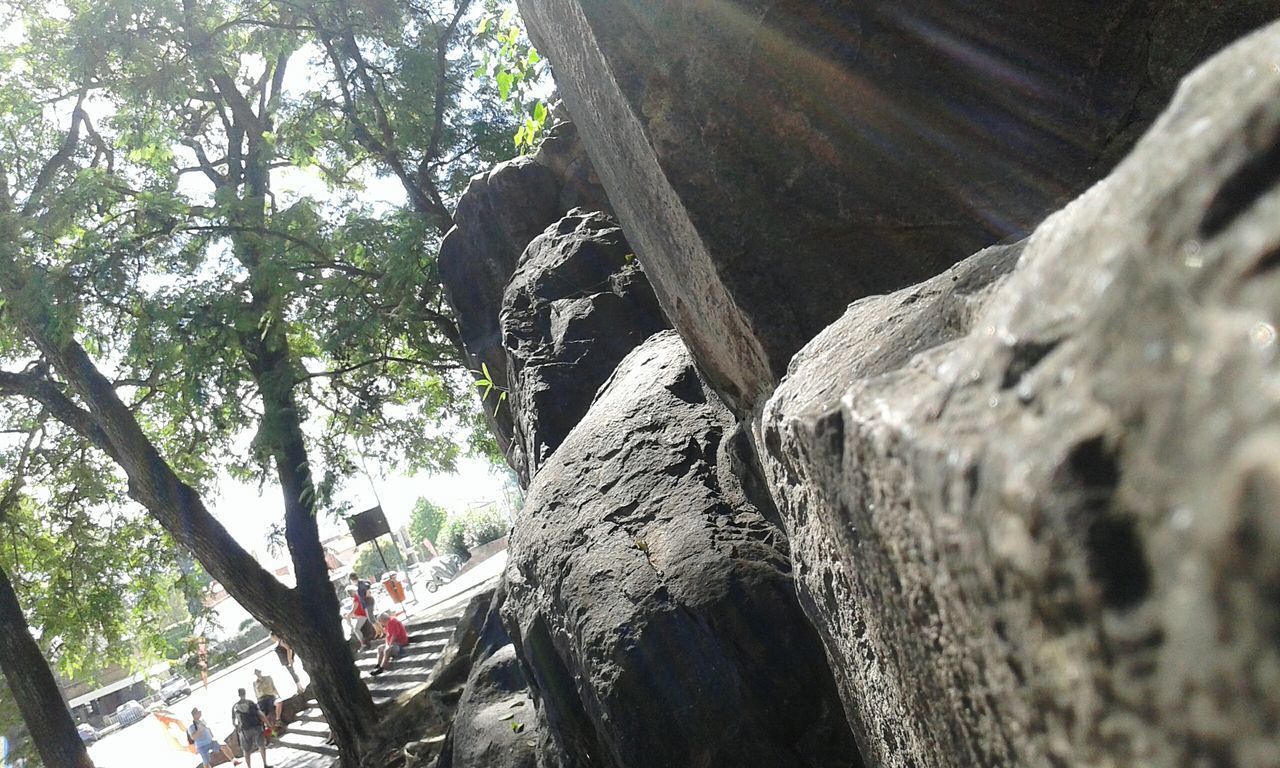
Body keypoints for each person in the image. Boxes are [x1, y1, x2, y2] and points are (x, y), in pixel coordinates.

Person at [231, 688, 269, 768]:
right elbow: (260, 714)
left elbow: (234, 722)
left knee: (246, 750)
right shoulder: (251, 703)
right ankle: (265, 764)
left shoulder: (235, 707)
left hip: (244, 731)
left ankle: (249, 767)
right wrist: (268, 724)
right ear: (245, 693)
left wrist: (238, 729)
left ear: (238, 695)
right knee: (261, 745)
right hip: (256, 727)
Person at [369, 611, 410, 676]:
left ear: (383, 620)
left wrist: (389, 645)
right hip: (394, 642)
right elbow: (387, 637)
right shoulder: (387, 624)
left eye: (380, 621)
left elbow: (394, 635)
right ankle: (378, 664)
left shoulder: (392, 621)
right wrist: (387, 644)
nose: (380, 623)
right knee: (380, 648)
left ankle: (381, 668)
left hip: (400, 642)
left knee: (387, 650)